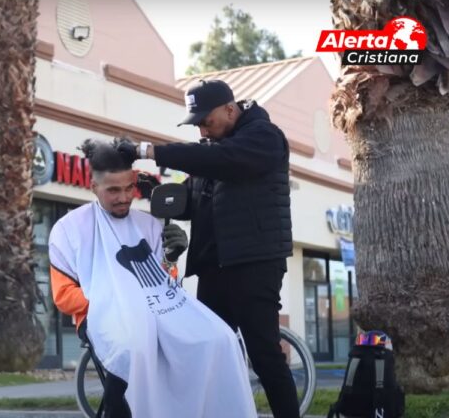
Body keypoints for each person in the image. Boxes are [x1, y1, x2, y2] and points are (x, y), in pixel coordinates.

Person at [117, 79, 300, 418]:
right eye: (197, 123)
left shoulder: (263, 138)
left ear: (230, 109)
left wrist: (147, 151)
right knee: (204, 351)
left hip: (254, 265)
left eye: (206, 120)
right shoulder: (213, 151)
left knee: (264, 355)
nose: (202, 129)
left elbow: (222, 160)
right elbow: (186, 200)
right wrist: (145, 187)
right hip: (215, 269)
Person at [49, 137, 257, 418]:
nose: (124, 197)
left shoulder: (148, 224)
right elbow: (63, 297)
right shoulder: (70, 230)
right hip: (102, 315)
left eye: (128, 188)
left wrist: (171, 257)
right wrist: (113, 299)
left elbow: (165, 280)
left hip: (160, 310)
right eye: (113, 190)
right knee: (133, 349)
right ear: (94, 186)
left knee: (220, 340)